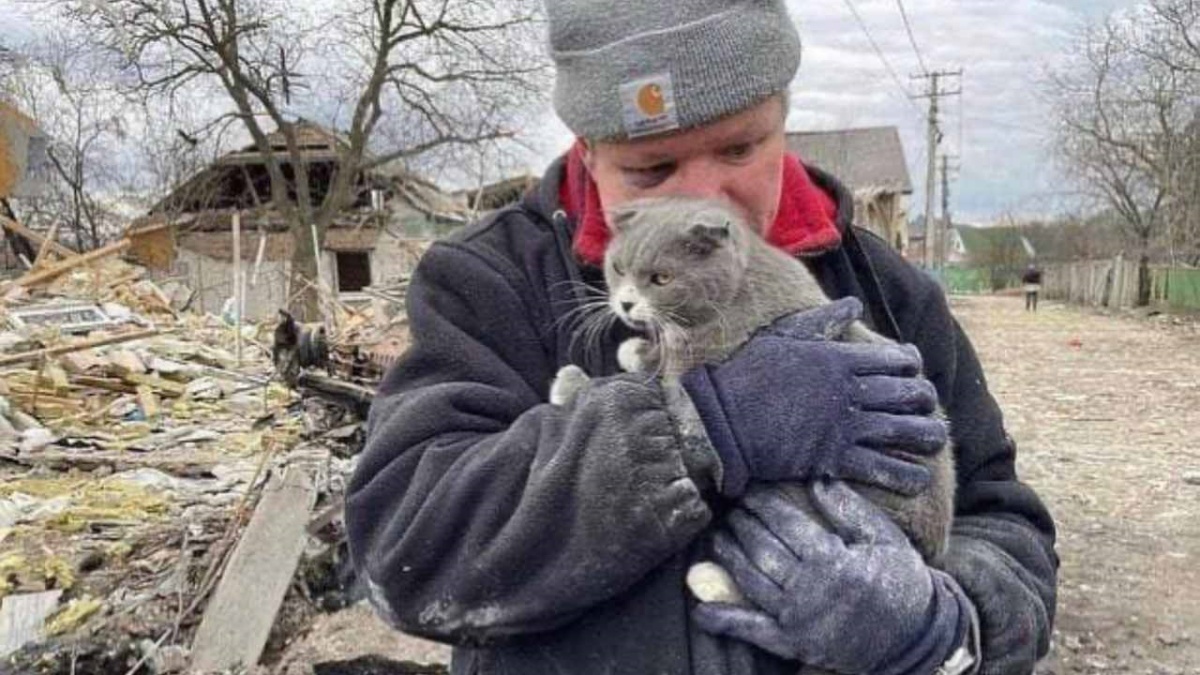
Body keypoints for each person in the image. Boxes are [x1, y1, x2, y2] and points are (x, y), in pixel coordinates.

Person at [346, 2, 1058, 674]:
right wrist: (692, 427)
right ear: (589, 151)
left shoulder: (886, 290)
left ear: (783, 115)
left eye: (740, 147)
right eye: (652, 167)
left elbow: (1006, 530)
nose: (703, 200)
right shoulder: (490, 283)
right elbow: (404, 550)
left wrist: (939, 628)